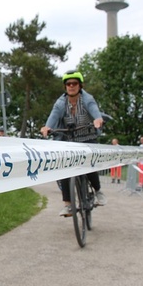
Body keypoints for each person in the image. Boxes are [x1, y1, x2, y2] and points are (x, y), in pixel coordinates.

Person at [40, 70, 106, 216]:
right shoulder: (60, 103)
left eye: (74, 83)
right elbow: (53, 116)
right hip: (68, 140)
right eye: (68, 84)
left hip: (87, 137)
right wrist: (47, 127)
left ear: (80, 85)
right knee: (64, 167)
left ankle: (98, 191)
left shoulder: (87, 99)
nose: (71, 86)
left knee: (89, 164)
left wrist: (97, 119)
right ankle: (68, 205)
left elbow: (94, 110)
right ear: (65, 87)